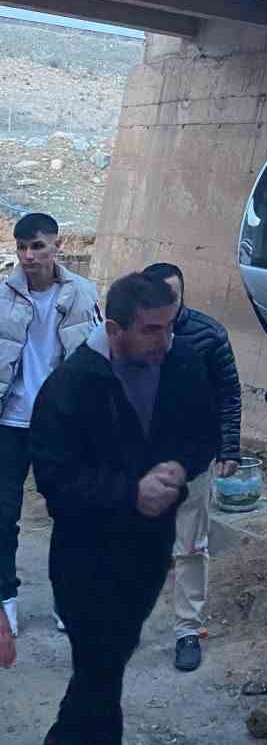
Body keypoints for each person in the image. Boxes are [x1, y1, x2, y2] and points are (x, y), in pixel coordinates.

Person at [31, 269, 218, 745]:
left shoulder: (182, 364)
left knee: (105, 659)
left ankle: (63, 733)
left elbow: (201, 432)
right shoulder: (69, 387)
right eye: (151, 330)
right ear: (114, 329)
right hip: (85, 559)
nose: (165, 341)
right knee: (104, 675)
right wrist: (129, 492)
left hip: (147, 551)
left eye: (170, 326)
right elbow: (57, 487)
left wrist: (178, 470)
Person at [0, 211, 101, 640]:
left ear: (56, 245)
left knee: (71, 513)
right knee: (3, 516)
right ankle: (6, 603)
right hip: (9, 422)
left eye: (37, 246)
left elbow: (98, 360)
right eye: (22, 247)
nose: (28, 256)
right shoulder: (1, 294)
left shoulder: (84, 293)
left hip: (62, 426)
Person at [142, 261, 241, 672]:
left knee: (190, 547)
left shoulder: (209, 335)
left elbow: (230, 394)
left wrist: (229, 449)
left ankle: (187, 631)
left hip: (192, 464)